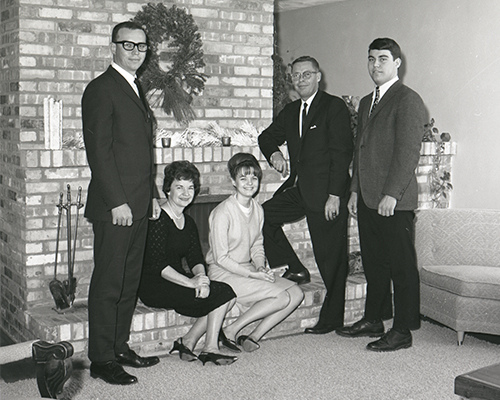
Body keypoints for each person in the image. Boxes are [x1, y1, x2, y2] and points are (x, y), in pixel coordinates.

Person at [82, 21, 161, 385]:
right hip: (117, 207)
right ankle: (100, 358)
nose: (135, 52)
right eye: (128, 45)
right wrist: (117, 201)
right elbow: (99, 153)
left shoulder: (134, 86)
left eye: (141, 47)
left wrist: (154, 196)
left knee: (129, 281)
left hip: (140, 203)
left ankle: (118, 347)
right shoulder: (101, 89)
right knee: (109, 282)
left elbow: (139, 153)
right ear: (113, 46)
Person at [336, 38, 426, 352]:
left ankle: (402, 330)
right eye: (372, 58)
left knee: (401, 266)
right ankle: (373, 319)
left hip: (394, 201)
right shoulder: (365, 102)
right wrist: (354, 191)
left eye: (383, 59)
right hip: (367, 197)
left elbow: (407, 153)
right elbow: (362, 151)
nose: (376, 65)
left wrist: (391, 194)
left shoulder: (408, 100)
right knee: (374, 264)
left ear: (397, 63)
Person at [258, 56, 353, 335]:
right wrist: (274, 152)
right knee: (262, 216)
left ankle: (332, 318)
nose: (300, 80)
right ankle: (295, 268)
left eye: (306, 75)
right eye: (296, 76)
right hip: (299, 190)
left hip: (327, 196)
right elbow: (266, 137)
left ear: (318, 76)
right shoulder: (291, 112)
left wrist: (335, 195)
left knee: (330, 259)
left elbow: (341, 153)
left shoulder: (333, 107)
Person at [138, 161, 238, 366]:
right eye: (179, 187)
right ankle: (209, 348)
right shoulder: (157, 220)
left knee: (226, 295)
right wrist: (192, 283)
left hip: (177, 279)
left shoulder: (188, 221)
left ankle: (188, 341)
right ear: (168, 189)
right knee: (225, 294)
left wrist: (202, 279)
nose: (186, 193)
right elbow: (158, 266)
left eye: (190, 187)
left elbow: (195, 258)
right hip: (154, 285)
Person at [206, 153, 304, 351]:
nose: (249, 183)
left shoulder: (257, 209)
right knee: (282, 297)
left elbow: (257, 245)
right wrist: (253, 274)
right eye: (243, 178)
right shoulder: (222, 212)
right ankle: (232, 330)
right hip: (222, 272)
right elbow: (221, 258)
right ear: (233, 182)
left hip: (248, 268)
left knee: (296, 293)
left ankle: (253, 335)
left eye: (254, 178)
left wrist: (260, 266)